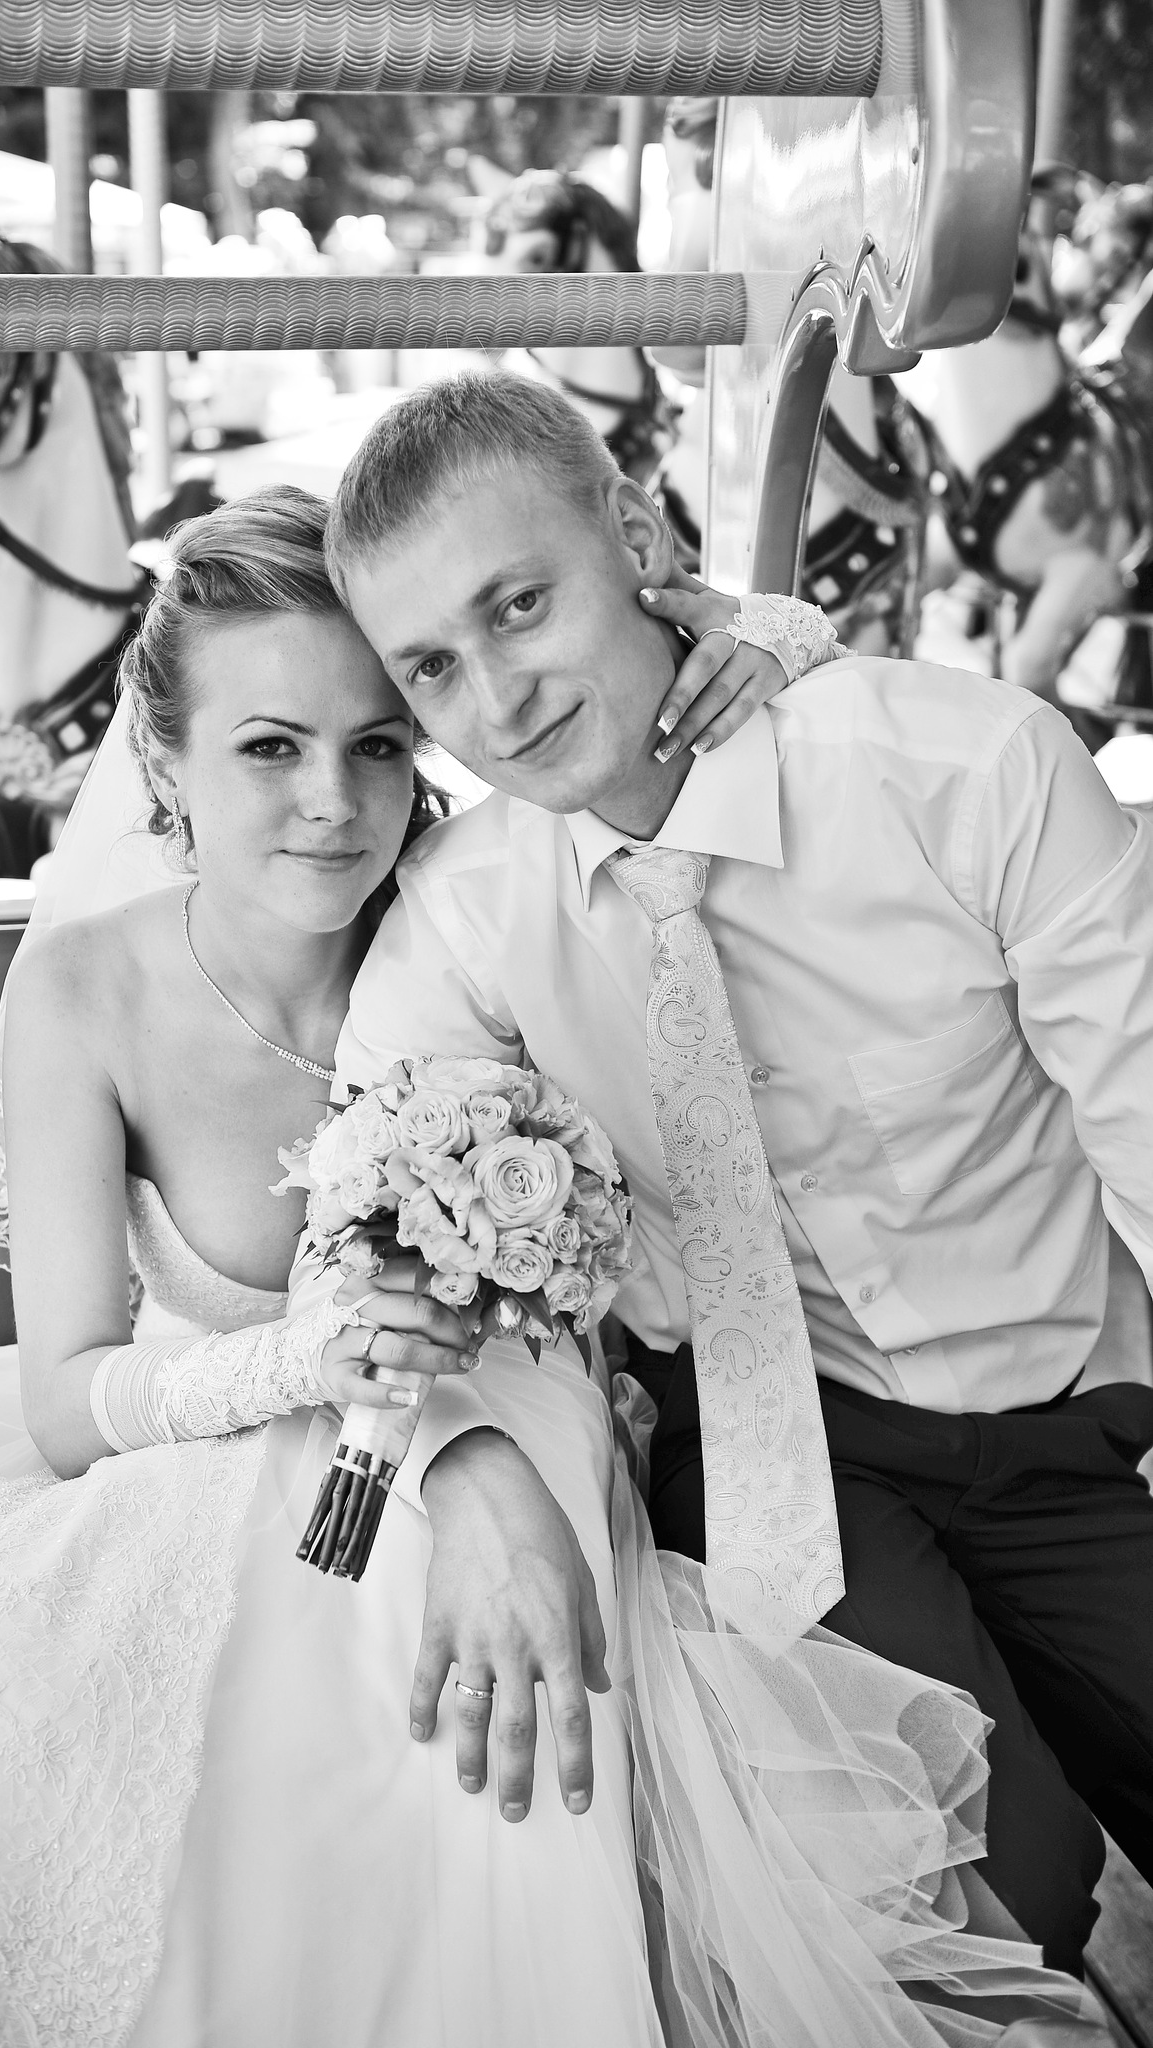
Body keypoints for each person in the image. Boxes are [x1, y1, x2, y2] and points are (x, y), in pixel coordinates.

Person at [0, 485, 1092, 2046]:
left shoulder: (479, 906)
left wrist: (769, 637)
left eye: (378, 745)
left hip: (577, 1422)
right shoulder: (87, 989)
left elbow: (634, 713)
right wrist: (324, 1371)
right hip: (216, 1466)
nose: (334, 804)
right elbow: (64, 1400)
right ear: (164, 761)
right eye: (269, 747)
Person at [319, 369, 1153, 1984]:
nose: (496, 699)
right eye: (431, 667)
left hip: (1071, 1425)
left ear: (638, 539)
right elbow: (369, 1234)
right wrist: (463, 1463)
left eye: (519, 606)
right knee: (991, 1885)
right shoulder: (465, 917)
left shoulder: (964, 769)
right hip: (782, 1462)